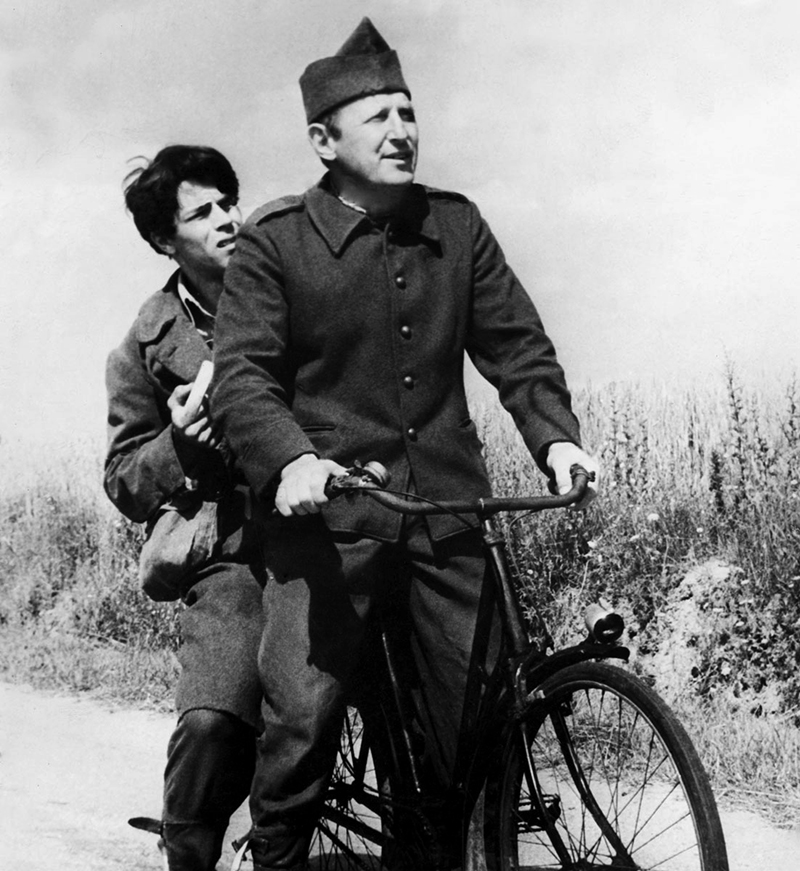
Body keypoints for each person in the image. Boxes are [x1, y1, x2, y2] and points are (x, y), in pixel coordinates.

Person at [212, 18, 598, 871]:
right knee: (303, 720)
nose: (401, 131)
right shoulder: (276, 242)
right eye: (378, 116)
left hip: (446, 515)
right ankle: (271, 855)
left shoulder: (456, 228)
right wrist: (293, 459)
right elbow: (243, 377)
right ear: (324, 141)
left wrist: (557, 441)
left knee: (479, 724)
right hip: (329, 527)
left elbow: (518, 348)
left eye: (409, 111)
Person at [104, 145, 265, 871]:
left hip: (337, 530)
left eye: (229, 202)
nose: (227, 219)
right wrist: (179, 447)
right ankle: (190, 848)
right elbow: (124, 481)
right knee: (211, 722)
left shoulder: (292, 293)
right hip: (235, 553)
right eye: (202, 212)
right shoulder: (141, 348)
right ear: (164, 241)